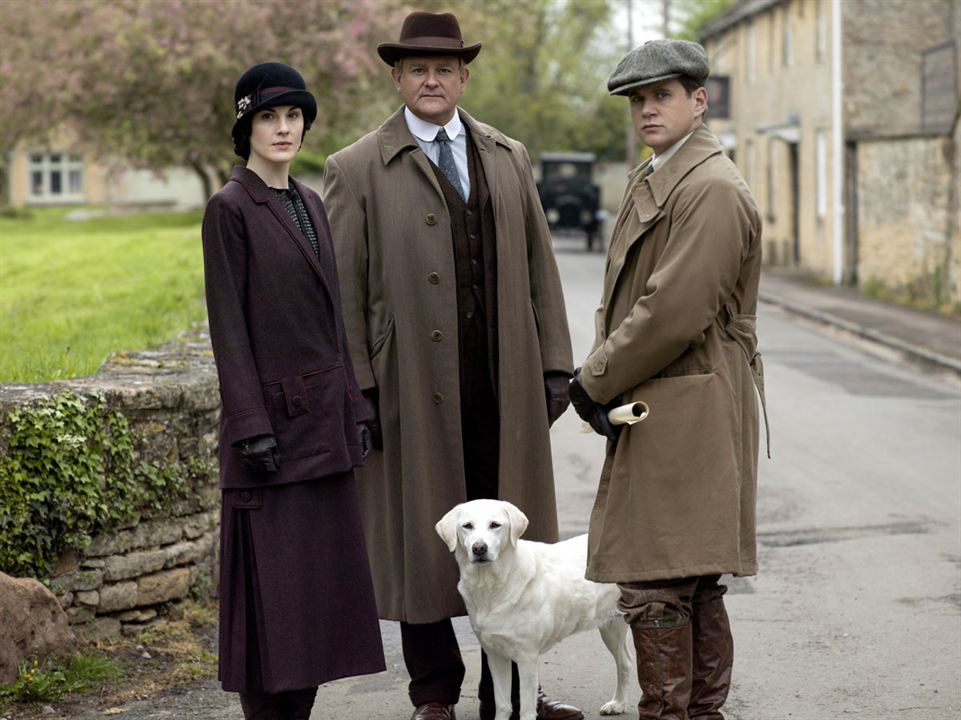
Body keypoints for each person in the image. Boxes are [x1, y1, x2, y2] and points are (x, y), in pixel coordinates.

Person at [323, 11, 579, 720]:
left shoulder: (508, 156)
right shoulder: (354, 168)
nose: (430, 79)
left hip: (504, 380)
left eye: (443, 68)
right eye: (415, 69)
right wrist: (360, 388)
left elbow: (538, 267)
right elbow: (343, 289)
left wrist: (555, 363)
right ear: (397, 78)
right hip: (408, 386)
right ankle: (432, 694)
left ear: (463, 77)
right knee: (421, 540)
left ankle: (513, 692)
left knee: (510, 544)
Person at [568, 40, 768, 719]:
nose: (646, 109)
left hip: (687, 404)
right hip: (669, 401)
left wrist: (591, 381)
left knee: (655, 580)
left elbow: (671, 311)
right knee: (684, 578)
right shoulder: (666, 173)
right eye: (636, 100)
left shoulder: (708, 186)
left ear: (698, 100)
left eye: (661, 95)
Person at [201, 61, 385, 720]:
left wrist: (356, 405)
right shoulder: (229, 209)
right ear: (245, 128)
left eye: (292, 116)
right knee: (272, 613)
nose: (282, 128)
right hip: (271, 442)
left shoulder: (308, 203)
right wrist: (250, 425)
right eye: (268, 118)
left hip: (324, 432)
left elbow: (332, 317)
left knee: (315, 610)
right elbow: (228, 327)